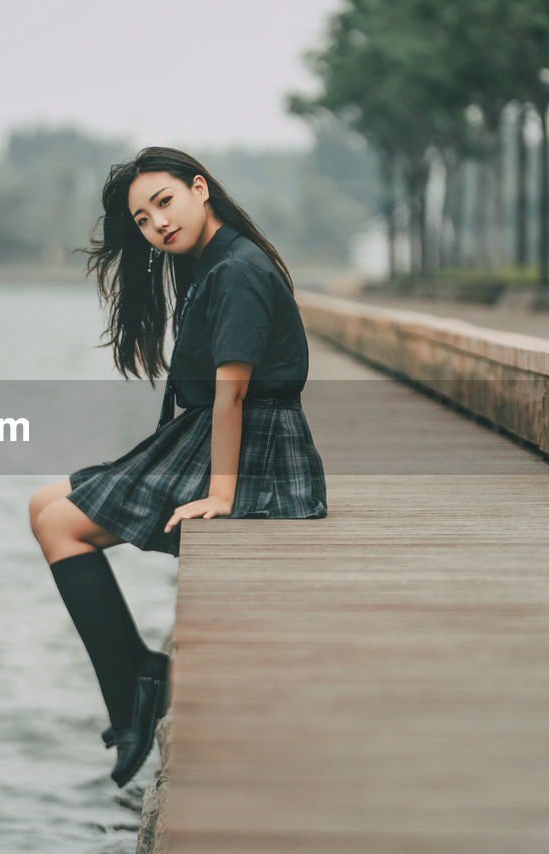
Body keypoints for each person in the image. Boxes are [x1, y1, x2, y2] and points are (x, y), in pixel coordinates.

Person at [28, 146, 328, 788]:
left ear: (199, 189)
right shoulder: (203, 263)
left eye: (164, 202)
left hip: (255, 450)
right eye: (142, 219)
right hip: (212, 436)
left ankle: (136, 685)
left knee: (60, 527)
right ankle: (135, 678)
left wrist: (221, 494)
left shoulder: (238, 268)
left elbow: (233, 395)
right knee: (42, 508)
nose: (157, 224)